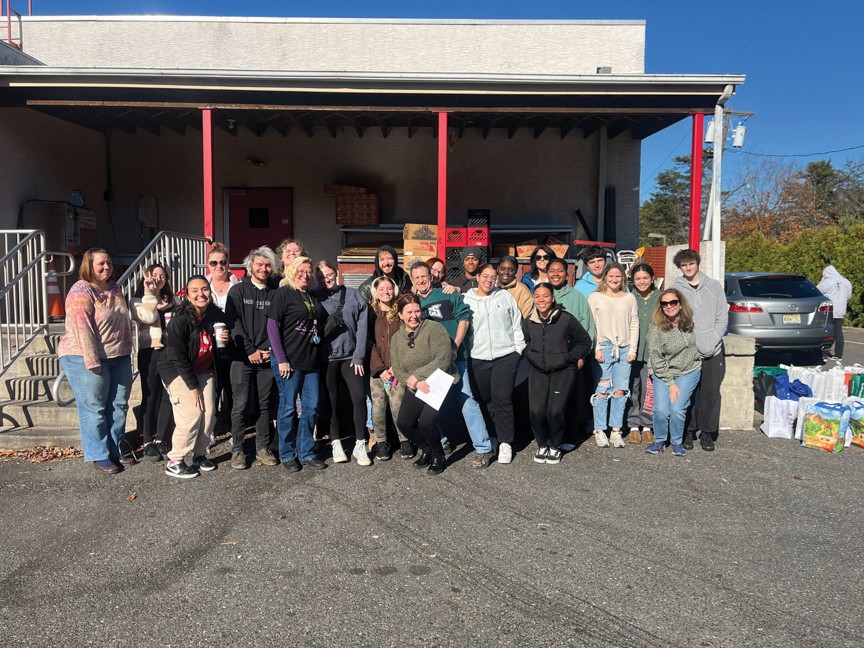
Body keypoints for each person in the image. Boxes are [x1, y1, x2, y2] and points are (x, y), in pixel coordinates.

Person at [409, 261, 495, 468]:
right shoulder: (414, 304)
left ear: (431, 276)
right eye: (416, 277)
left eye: (424, 276)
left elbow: (463, 319)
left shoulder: (448, 294)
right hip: (430, 362)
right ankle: (441, 442)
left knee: (466, 400)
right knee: (429, 402)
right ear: (412, 281)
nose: (421, 280)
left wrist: (455, 347)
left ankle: (483, 448)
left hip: (456, 358)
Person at [58, 248, 134, 474]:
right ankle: (98, 454)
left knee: (119, 404)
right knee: (95, 408)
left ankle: (115, 447)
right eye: (100, 264)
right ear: (88, 266)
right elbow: (83, 330)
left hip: (117, 355)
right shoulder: (81, 291)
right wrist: (92, 362)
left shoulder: (114, 287)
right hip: (84, 356)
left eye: (109, 263)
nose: (106, 267)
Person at [159, 275, 229, 479]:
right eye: (195, 291)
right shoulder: (180, 320)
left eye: (205, 289)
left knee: (208, 415)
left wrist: (226, 339)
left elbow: (220, 348)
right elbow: (177, 357)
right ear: (187, 295)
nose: (201, 294)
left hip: (204, 370)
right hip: (178, 371)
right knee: (191, 414)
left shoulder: (215, 315)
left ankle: (199, 454)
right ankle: (175, 461)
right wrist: (193, 387)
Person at [266, 256, 328, 472]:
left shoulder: (311, 295)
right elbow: (272, 328)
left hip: (310, 361)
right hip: (289, 362)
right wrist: (281, 359)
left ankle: (307, 452)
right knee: (288, 408)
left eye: (309, 271)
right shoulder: (283, 293)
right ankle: (286, 453)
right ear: (292, 271)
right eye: (301, 270)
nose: (305, 274)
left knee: (311, 408)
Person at [390, 293, 459, 475]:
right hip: (415, 385)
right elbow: (397, 367)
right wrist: (411, 381)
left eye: (417, 311)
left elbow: (443, 358)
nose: (414, 316)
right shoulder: (397, 338)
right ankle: (426, 448)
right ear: (400, 315)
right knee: (404, 423)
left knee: (426, 422)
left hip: (439, 381)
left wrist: (418, 376)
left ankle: (438, 455)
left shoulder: (434, 329)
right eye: (409, 312)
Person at [522, 283, 592, 464]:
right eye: (537, 296)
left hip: (563, 371)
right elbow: (526, 342)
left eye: (545, 296)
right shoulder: (529, 321)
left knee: (555, 411)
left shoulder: (565, 319)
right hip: (538, 370)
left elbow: (584, 342)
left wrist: (568, 358)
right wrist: (531, 355)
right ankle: (542, 444)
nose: (541, 300)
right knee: (536, 411)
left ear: (553, 298)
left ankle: (555, 445)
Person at [224, 246, 280, 470]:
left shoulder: (276, 292)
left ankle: (262, 447)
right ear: (250, 267)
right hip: (242, 358)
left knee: (265, 405)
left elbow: (279, 324)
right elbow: (233, 324)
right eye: (259, 264)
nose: (264, 269)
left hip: (267, 357)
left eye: (268, 265)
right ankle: (237, 450)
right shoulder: (237, 292)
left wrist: (269, 349)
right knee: (240, 404)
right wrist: (250, 350)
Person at [463, 265, 526, 464]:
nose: (489, 280)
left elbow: (516, 321)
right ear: (478, 277)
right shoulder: (467, 299)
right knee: (486, 400)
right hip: (478, 357)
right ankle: (493, 436)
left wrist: (518, 348)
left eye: (493, 277)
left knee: (503, 399)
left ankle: (506, 442)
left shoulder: (504, 296)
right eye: (485, 276)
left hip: (505, 355)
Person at [315, 260, 372, 466]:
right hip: (326, 358)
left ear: (337, 272)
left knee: (358, 398)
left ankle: (360, 443)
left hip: (350, 357)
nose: (326, 279)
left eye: (329, 274)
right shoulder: (314, 296)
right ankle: (336, 442)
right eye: (321, 277)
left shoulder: (354, 295)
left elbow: (362, 327)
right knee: (331, 402)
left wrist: (359, 355)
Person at [671, 249, 728, 452]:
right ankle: (688, 431)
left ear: (697, 264)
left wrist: (713, 339)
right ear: (680, 268)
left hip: (712, 348)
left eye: (691, 264)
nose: (688, 268)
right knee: (688, 391)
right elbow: (672, 317)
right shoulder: (676, 288)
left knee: (711, 392)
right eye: (684, 265)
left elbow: (722, 316)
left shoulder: (714, 286)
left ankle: (707, 432)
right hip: (688, 348)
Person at [131, 263, 180, 462]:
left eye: (162, 276)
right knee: (150, 396)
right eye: (154, 275)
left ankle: (161, 439)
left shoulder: (174, 300)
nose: (158, 279)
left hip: (171, 353)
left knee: (168, 396)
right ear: (145, 278)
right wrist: (149, 293)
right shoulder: (136, 301)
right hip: (149, 352)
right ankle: (148, 440)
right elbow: (149, 317)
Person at [645, 289, 702, 457]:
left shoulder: (690, 323)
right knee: (661, 409)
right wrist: (671, 383)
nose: (669, 306)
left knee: (677, 408)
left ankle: (677, 441)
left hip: (689, 371)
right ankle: (660, 440)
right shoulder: (656, 329)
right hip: (664, 372)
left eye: (673, 302)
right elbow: (656, 359)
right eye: (664, 304)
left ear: (680, 303)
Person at [588, 263, 639, 448]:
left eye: (618, 276)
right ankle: (600, 429)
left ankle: (616, 430)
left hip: (624, 348)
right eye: (611, 276)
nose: (614, 279)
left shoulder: (629, 298)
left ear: (623, 278)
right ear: (605, 277)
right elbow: (591, 324)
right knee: (602, 390)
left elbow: (634, 323)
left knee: (620, 390)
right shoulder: (595, 297)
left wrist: (632, 349)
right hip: (604, 347)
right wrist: (596, 348)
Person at [368, 275, 407, 460]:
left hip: (398, 368)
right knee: (378, 406)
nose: (386, 292)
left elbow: (407, 341)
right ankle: (382, 442)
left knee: (398, 404)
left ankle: (405, 439)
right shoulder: (370, 313)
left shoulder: (400, 313)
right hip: (378, 370)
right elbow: (369, 343)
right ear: (376, 292)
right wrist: (380, 369)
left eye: (389, 288)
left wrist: (396, 367)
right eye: (381, 289)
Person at [206, 242, 240, 426]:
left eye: (223, 262)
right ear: (208, 264)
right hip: (210, 344)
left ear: (228, 264)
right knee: (213, 388)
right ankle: (210, 429)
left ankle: (234, 427)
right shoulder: (203, 287)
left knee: (233, 386)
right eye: (214, 263)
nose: (219, 266)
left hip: (234, 342)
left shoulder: (238, 286)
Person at [626, 263, 660, 444]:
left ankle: (647, 425)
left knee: (649, 391)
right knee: (633, 389)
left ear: (652, 279)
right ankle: (633, 424)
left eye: (645, 278)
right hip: (632, 351)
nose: (642, 282)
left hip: (652, 353)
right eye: (638, 279)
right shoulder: (629, 297)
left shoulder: (661, 298)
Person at [817, 265, 852, 360]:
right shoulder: (846, 282)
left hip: (829, 309)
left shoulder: (827, 282)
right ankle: (838, 355)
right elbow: (848, 296)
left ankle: (824, 353)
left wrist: (822, 281)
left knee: (826, 331)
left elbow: (817, 291)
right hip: (840, 309)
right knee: (838, 332)